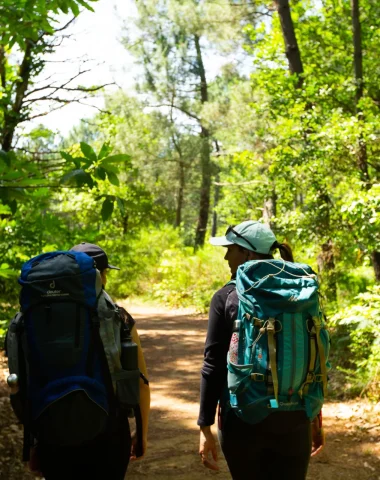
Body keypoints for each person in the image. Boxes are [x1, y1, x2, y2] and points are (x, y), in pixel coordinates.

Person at [198, 221, 325, 480]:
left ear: (248, 254)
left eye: (230, 249)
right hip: (297, 414)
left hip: (243, 416)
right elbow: (314, 354)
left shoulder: (227, 296)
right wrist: (314, 413)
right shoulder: (302, 292)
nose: (225, 256)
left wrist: (205, 426)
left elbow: (213, 365)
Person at [32, 242, 150, 480]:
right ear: (101, 276)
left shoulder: (38, 316)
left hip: (53, 428)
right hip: (109, 431)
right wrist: (142, 433)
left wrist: (34, 440)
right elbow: (141, 382)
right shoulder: (118, 317)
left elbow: (29, 379)